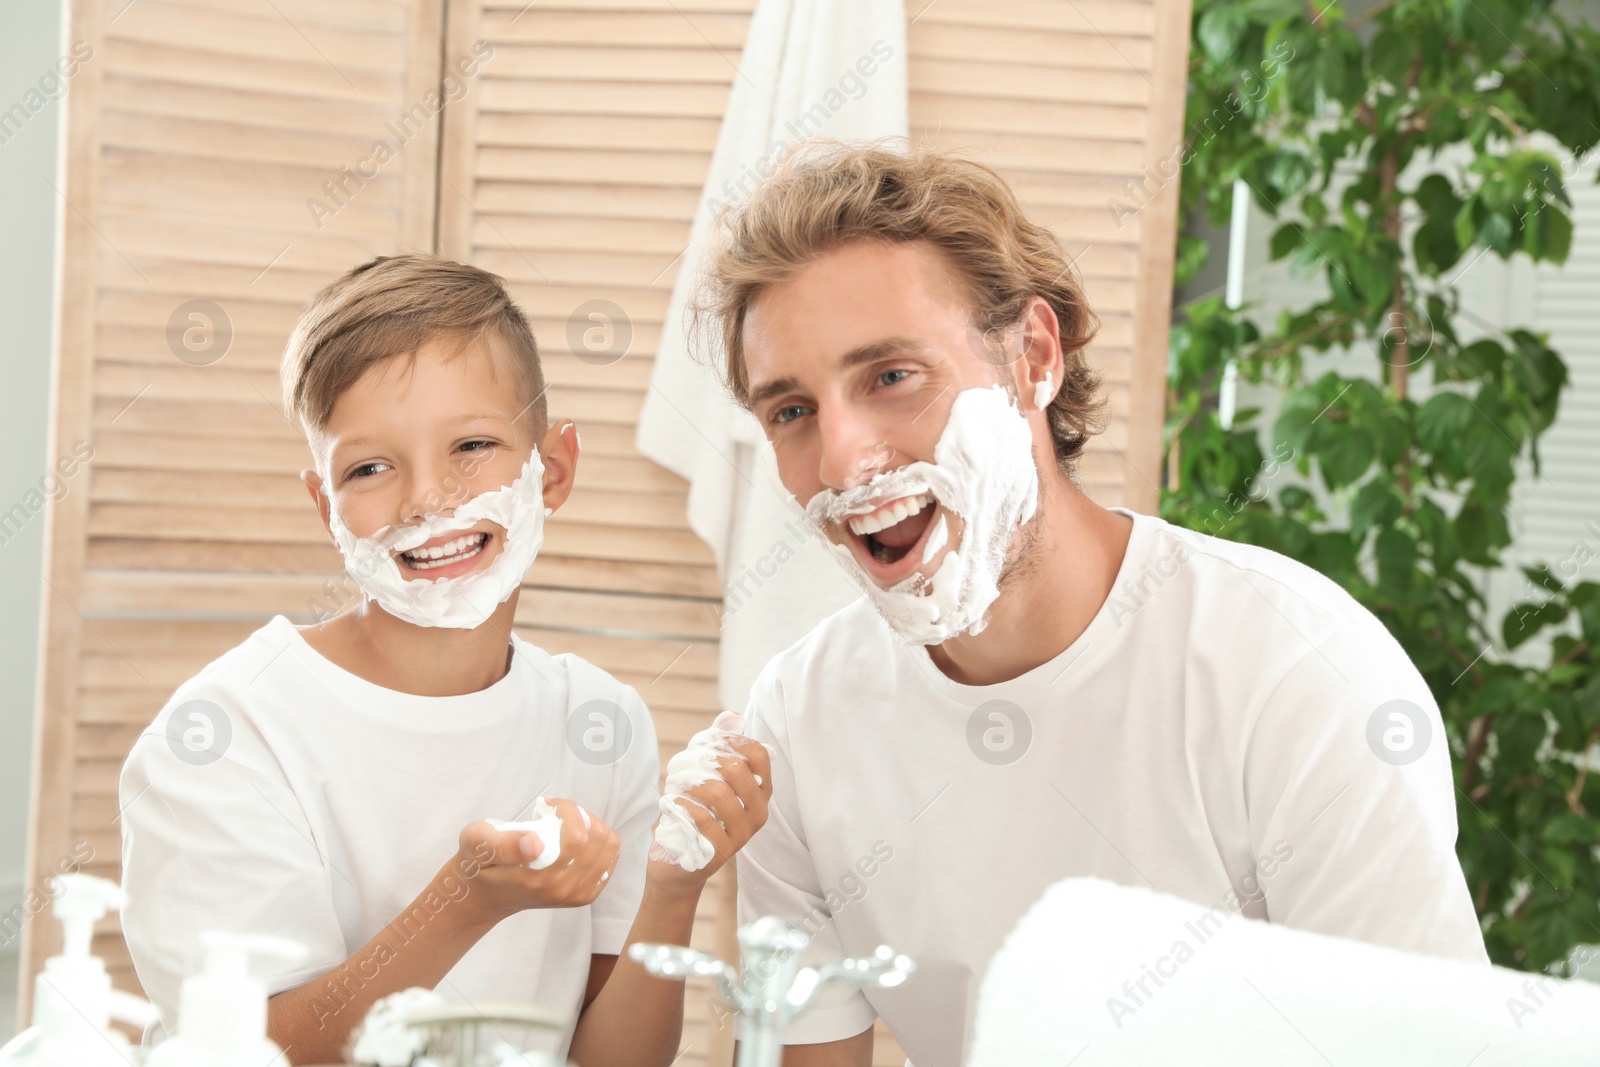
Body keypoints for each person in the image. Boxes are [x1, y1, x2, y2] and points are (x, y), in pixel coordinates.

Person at [698, 143, 1487, 1067]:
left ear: (1034, 357)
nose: (843, 461)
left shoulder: (1295, 673)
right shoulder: (797, 723)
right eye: (791, 411)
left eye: (892, 377)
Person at [119, 255, 770, 1066]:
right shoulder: (228, 731)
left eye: (472, 445)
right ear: (327, 506)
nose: (429, 498)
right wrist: (465, 900)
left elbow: (610, 1059)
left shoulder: (597, 721)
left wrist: (674, 887)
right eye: (369, 467)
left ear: (553, 469)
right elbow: (254, 1056)